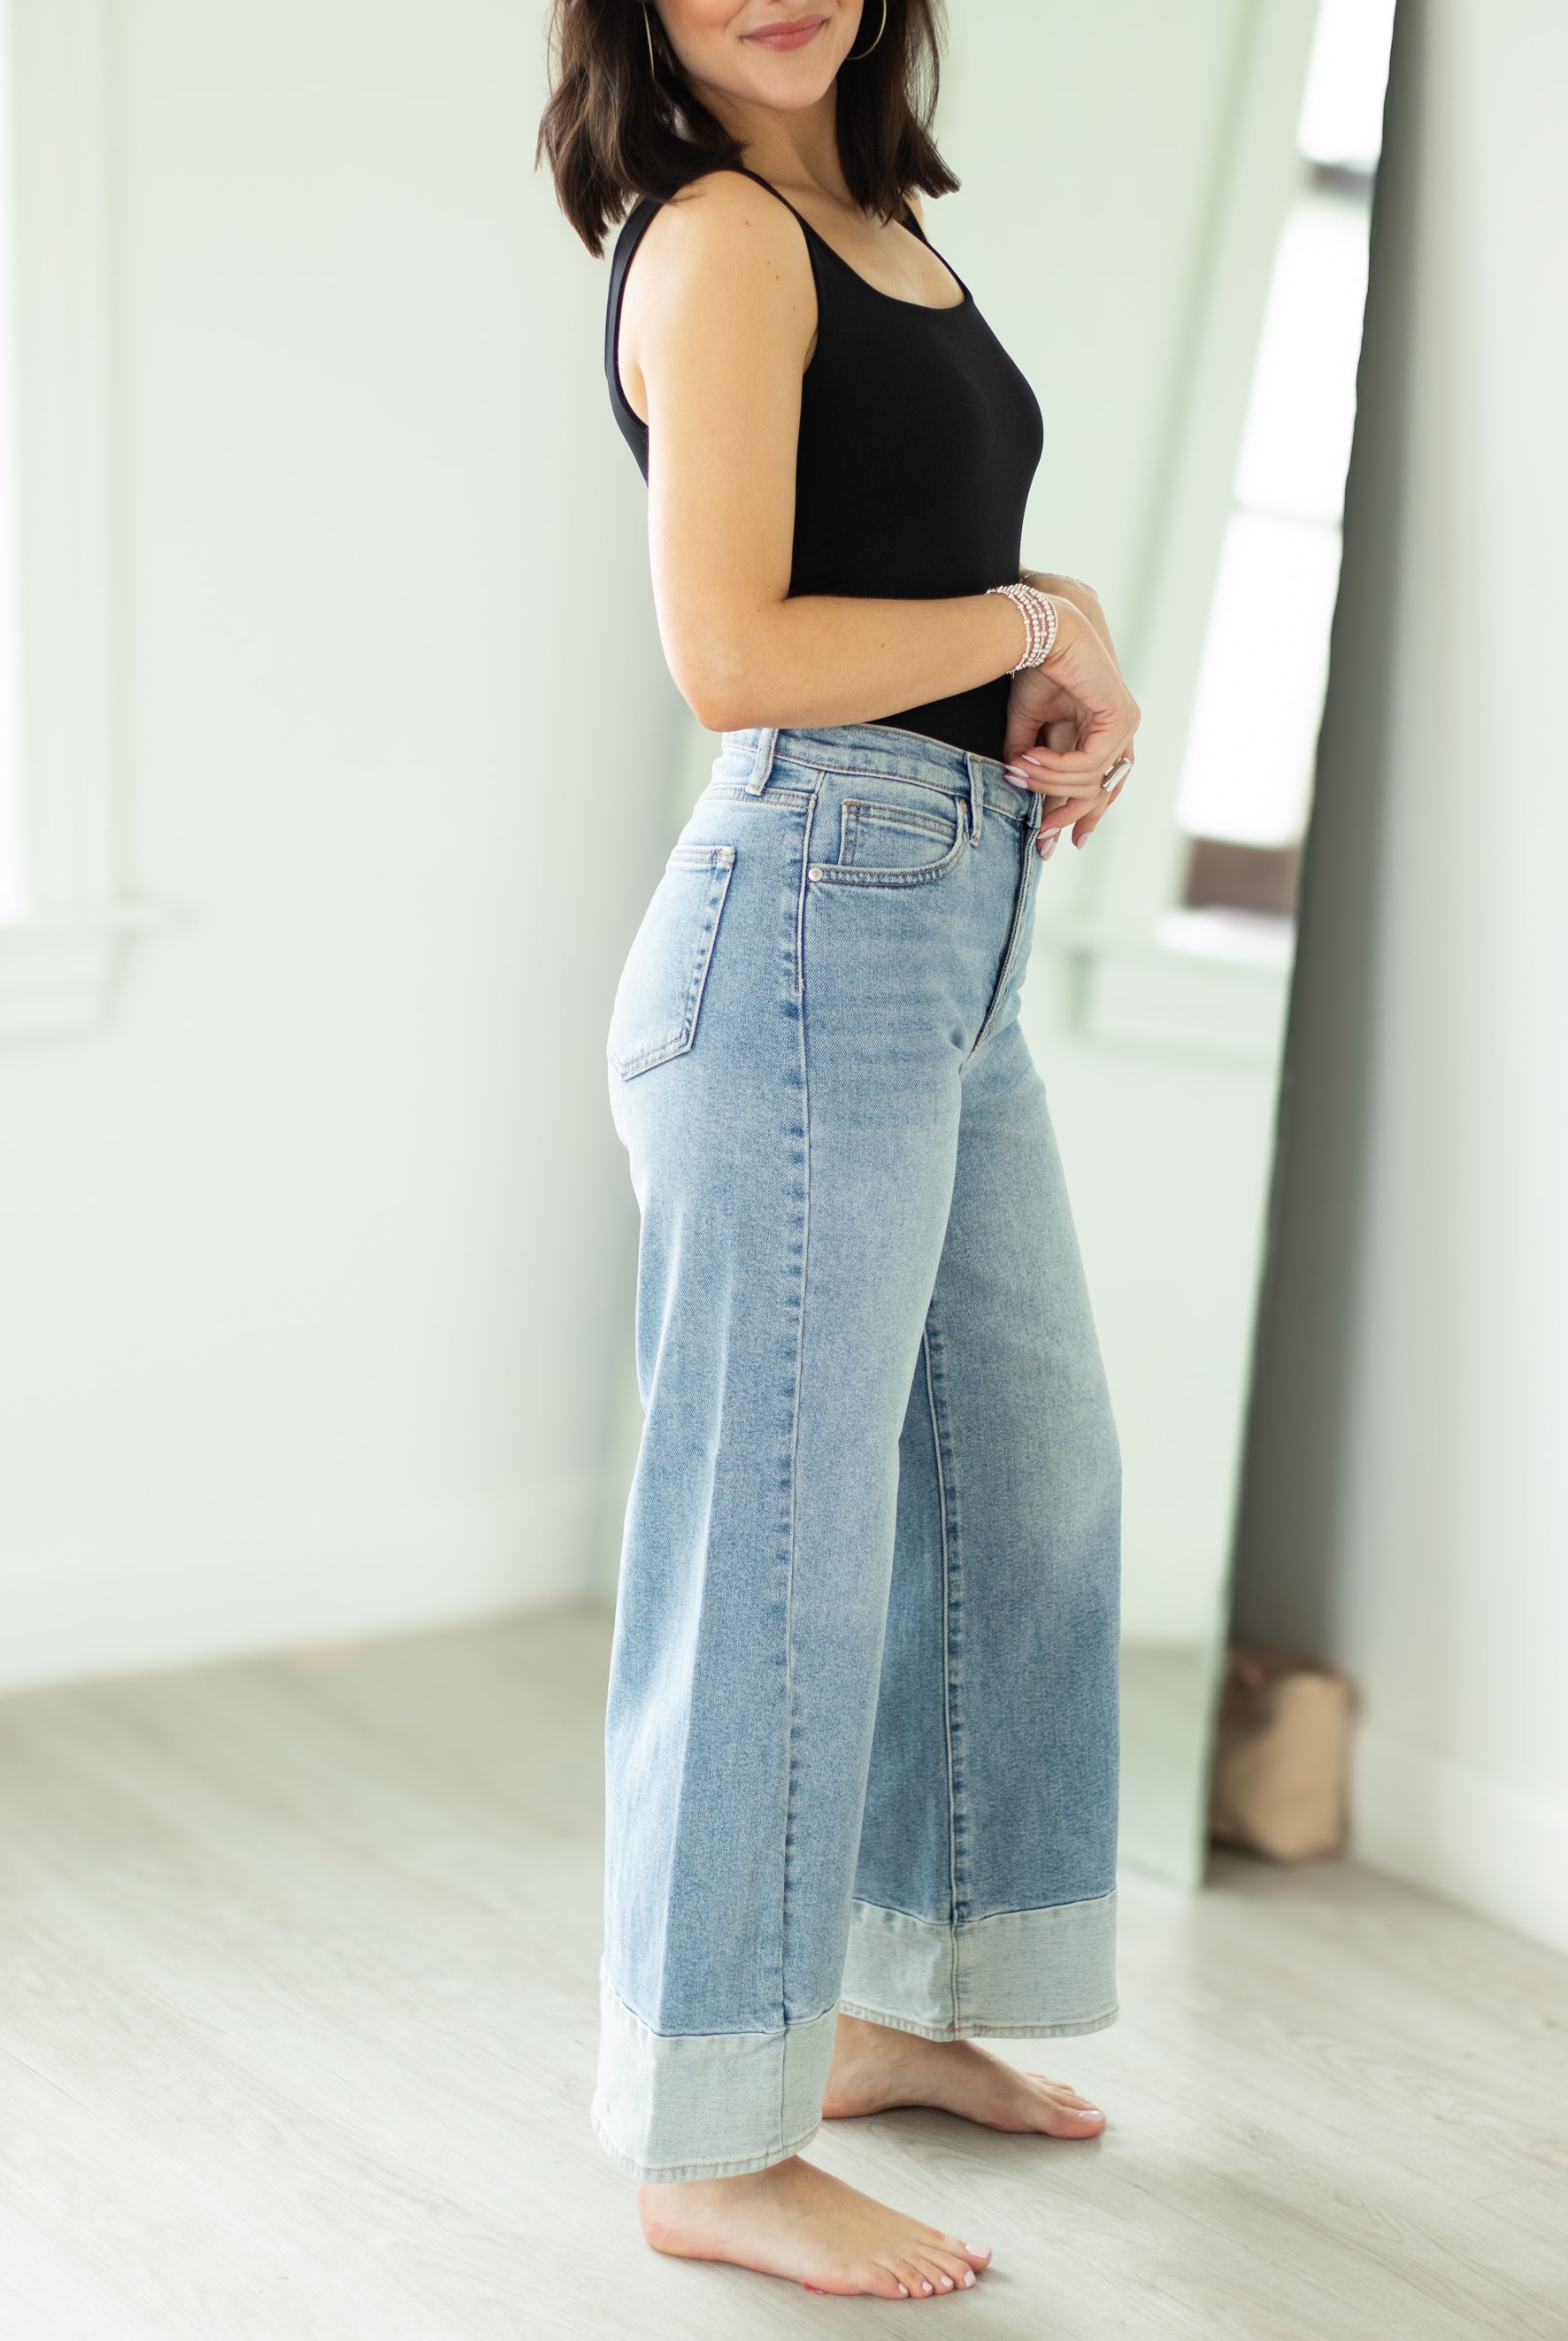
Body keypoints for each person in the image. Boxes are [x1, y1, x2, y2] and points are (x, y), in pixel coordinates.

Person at [539, 0, 1140, 2301]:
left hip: (942, 912)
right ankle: (705, 2129)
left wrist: (1041, 664)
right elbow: (730, 650)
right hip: (812, 921)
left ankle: (883, 1999)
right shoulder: (712, 237)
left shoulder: (872, 222)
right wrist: (1035, 617)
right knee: (766, 1548)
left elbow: (894, 593)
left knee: (1024, 1469)